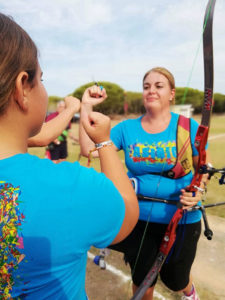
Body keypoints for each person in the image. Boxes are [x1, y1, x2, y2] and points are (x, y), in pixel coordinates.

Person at [0, 13, 139, 300]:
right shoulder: (69, 186)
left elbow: (39, 136)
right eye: (42, 79)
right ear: (21, 87)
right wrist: (103, 141)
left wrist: (76, 107)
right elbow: (126, 212)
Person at [79, 67, 209, 300]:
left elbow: (203, 168)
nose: (151, 90)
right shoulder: (127, 128)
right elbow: (89, 148)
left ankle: (189, 293)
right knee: (142, 280)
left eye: (159, 86)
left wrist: (197, 191)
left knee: (175, 279)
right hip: (138, 219)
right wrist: (86, 106)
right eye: (147, 86)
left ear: (171, 93)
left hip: (182, 219)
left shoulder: (187, 127)